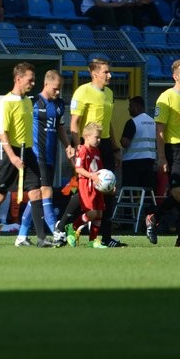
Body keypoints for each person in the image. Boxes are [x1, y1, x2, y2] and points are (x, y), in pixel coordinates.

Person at [0, 62, 52, 248]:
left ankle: (41, 238)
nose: (32, 83)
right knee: (0, 195)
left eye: (33, 80)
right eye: (30, 80)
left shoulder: (27, 100)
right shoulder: (6, 101)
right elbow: (3, 132)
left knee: (35, 192)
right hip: (12, 152)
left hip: (28, 152)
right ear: (18, 79)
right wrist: (13, 157)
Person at [64, 57, 125, 247]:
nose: (110, 75)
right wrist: (78, 145)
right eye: (106, 71)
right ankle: (63, 226)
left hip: (104, 145)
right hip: (87, 145)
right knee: (85, 187)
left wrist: (115, 148)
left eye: (109, 71)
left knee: (107, 190)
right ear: (94, 73)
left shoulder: (109, 93)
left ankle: (104, 237)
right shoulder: (83, 92)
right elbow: (74, 122)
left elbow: (109, 124)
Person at [146, 59, 180, 247]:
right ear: (175, 76)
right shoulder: (165, 98)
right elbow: (159, 130)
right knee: (178, 193)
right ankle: (153, 217)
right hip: (173, 149)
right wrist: (161, 156)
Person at [15, 71, 74, 247]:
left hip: (51, 155)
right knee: (45, 192)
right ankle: (56, 231)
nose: (58, 92)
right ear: (46, 84)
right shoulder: (33, 102)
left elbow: (61, 127)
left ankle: (21, 236)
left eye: (60, 89)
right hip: (35, 155)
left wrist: (67, 145)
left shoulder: (59, 104)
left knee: (38, 196)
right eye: (56, 89)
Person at [65, 122, 109, 248]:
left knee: (99, 213)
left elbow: (100, 172)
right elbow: (78, 169)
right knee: (92, 213)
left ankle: (92, 241)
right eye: (97, 137)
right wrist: (91, 176)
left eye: (100, 137)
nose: (99, 140)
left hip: (96, 185)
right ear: (87, 136)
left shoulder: (96, 151)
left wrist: (108, 185)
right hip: (86, 185)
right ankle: (72, 227)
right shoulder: (83, 150)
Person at [120, 96, 156, 190]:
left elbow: (125, 143)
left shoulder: (132, 122)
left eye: (130, 106)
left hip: (132, 162)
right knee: (147, 191)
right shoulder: (153, 122)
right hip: (150, 161)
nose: (129, 109)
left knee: (129, 191)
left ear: (137, 106)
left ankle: (128, 205)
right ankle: (148, 205)